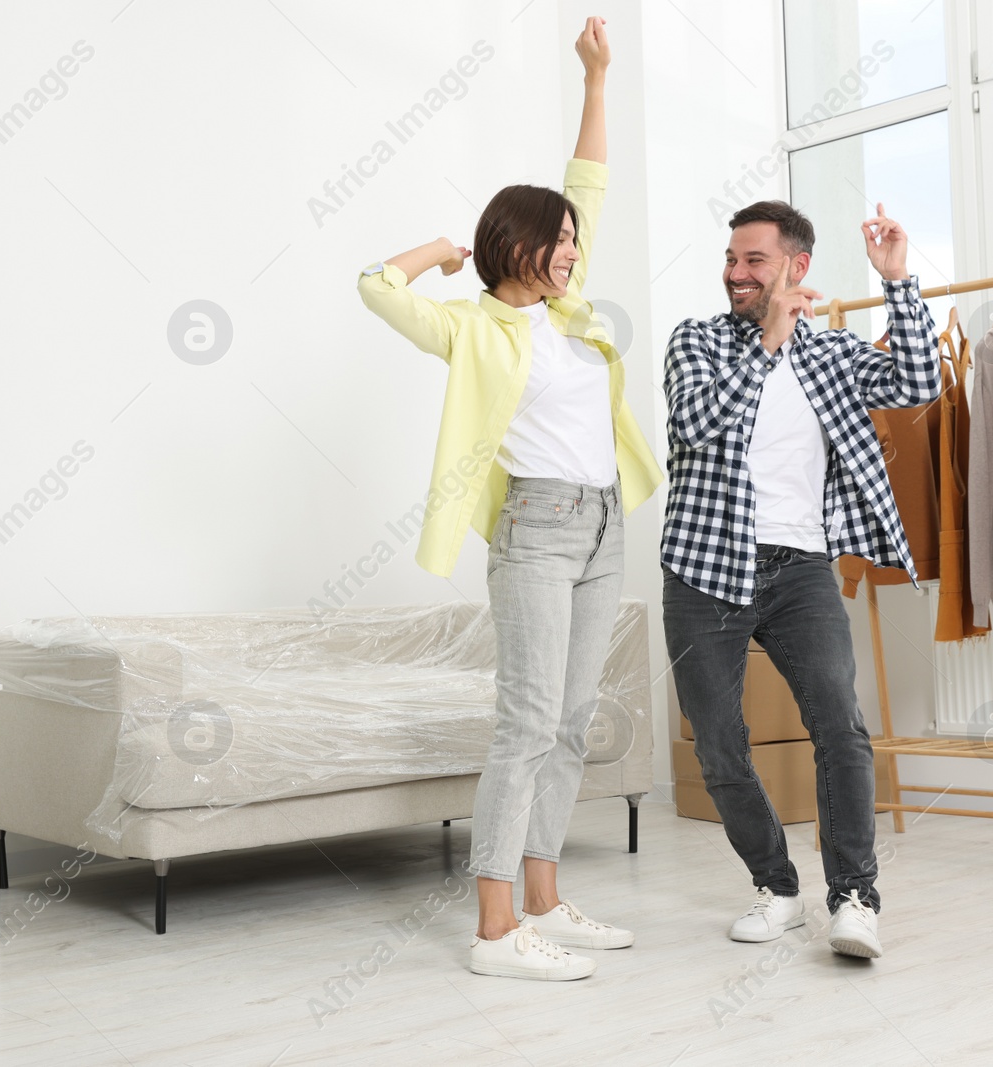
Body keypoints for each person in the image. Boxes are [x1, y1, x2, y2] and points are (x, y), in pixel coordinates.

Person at [357, 17, 662, 981]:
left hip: (603, 520)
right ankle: (493, 932)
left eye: (574, 239)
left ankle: (543, 898)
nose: (573, 249)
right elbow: (372, 284)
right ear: (516, 246)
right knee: (526, 718)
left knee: (574, 719)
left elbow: (590, 181)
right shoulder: (472, 329)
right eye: (558, 240)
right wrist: (442, 248)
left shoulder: (571, 318)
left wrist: (598, 82)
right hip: (533, 526)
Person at [660, 200, 939, 959]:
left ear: (796, 266)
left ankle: (853, 897)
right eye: (731, 259)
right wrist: (767, 344)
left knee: (840, 726)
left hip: (800, 566)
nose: (736, 273)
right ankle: (777, 885)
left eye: (753, 260)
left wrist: (899, 283)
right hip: (702, 566)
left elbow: (919, 382)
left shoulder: (834, 355)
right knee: (717, 743)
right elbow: (694, 425)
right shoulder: (697, 342)